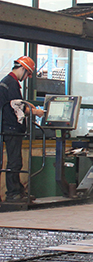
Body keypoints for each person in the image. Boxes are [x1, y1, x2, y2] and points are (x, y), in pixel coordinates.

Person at [0, 56, 45, 202]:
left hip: (5, 127)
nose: (27, 78)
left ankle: (17, 190)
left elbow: (14, 103)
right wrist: (35, 112)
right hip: (12, 128)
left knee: (13, 161)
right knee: (15, 162)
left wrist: (26, 104)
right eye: (28, 74)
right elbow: (17, 108)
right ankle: (13, 194)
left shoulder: (5, 82)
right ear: (23, 69)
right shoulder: (12, 83)